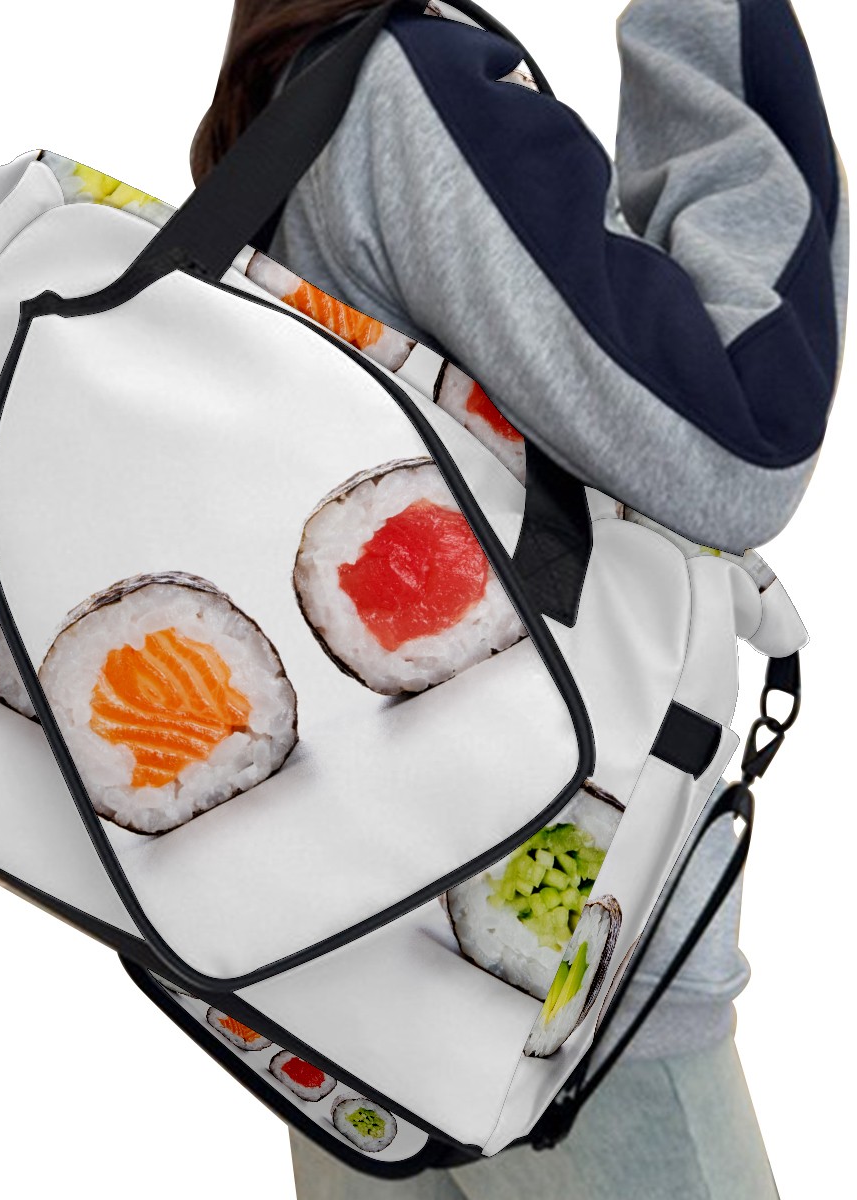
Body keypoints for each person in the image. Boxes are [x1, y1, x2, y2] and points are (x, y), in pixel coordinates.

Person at [190, 2, 847, 1197]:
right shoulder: (411, 91)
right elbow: (741, 437)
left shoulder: (283, 120)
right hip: (560, 990)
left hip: (330, 970)